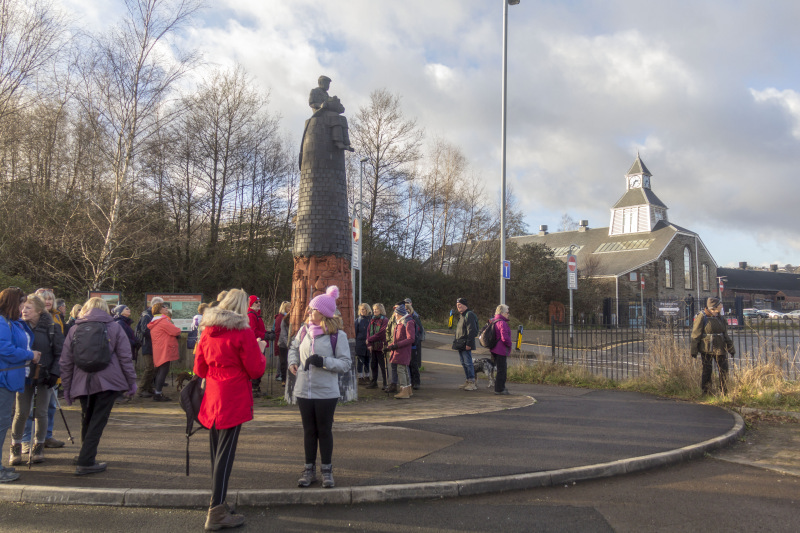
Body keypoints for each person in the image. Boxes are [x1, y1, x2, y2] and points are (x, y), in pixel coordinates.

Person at [193, 289, 266, 530]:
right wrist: (261, 350)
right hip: (232, 394)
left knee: (216, 451)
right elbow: (256, 369)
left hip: (213, 392)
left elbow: (199, 368)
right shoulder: (242, 331)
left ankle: (218, 502)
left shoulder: (207, 330)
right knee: (226, 454)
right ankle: (216, 511)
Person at [60, 297, 137, 475]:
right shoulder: (115, 328)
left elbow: (66, 361)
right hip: (108, 382)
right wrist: (131, 382)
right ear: (105, 310)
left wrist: (67, 387)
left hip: (81, 382)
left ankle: (85, 455)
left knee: (87, 418)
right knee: (97, 421)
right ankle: (86, 461)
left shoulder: (74, 328)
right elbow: (125, 358)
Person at [288, 285, 351, 489]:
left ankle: (327, 470)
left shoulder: (337, 336)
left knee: (324, 430)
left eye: (312, 309)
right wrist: (292, 362)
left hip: (326, 392)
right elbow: (294, 347)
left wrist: (323, 361)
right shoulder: (304, 330)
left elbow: (345, 364)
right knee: (308, 431)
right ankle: (308, 470)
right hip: (304, 390)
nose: (308, 311)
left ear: (322, 313)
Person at [9, 294, 63, 465]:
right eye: (23, 307)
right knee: (21, 412)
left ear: (39, 311)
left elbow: (60, 353)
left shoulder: (52, 328)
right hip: (23, 376)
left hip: (44, 376)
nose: (23, 310)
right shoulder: (17, 327)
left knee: (41, 412)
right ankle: (16, 447)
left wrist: (55, 374)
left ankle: (38, 446)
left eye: (28, 308)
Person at [0, 288, 41, 483]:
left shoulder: (10, 322)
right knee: (1, 425)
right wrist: (29, 355)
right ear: (12, 304)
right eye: (20, 304)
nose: (22, 308)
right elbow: (5, 349)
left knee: (3, 424)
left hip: (8, 379)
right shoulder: (2, 322)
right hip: (3, 379)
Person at [691, 297, 735, 395]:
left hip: (720, 347)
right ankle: (706, 392)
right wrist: (694, 350)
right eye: (720, 304)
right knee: (707, 370)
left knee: (724, 370)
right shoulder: (702, 316)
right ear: (714, 306)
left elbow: (725, 334)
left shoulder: (721, 317)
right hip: (706, 348)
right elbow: (696, 334)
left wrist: (731, 348)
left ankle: (724, 392)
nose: (722, 306)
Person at [147, 303, 181, 402]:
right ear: (159, 310)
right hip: (165, 349)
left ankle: (157, 392)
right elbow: (176, 331)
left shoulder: (155, 321)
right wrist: (178, 330)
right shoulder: (162, 321)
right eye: (163, 307)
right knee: (163, 371)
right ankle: (158, 394)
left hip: (159, 348)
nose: (166, 308)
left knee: (160, 370)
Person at [385, 303, 416, 399]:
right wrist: (389, 347)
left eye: (396, 314)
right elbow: (396, 339)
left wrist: (396, 346)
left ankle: (404, 391)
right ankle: (408, 390)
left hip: (402, 350)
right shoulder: (401, 322)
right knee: (403, 369)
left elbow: (411, 339)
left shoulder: (407, 322)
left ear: (401, 314)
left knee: (401, 369)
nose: (395, 316)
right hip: (399, 350)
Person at [136, 296, 164, 398]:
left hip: (153, 345)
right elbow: (144, 330)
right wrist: (157, 334)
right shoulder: (146, 315)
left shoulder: (151, 315)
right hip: (147, 345)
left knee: (154, 368)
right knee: (149, 367)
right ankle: (141, 389)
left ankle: (147, 388)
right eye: (162, 305)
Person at [453, 297, 479, 391]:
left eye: (460, 305)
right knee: (464, 363)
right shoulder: (461, 315)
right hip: (460, 343)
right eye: (457, 305)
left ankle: (472, 382)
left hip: (466, 343)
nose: (458, 307)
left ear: (465, 305)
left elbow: (472, 330)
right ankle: (468, 380)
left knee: (468, 363)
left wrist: (469, 343)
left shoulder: (469, 314)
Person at [490, 304, 513, 395]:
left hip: (494, 349)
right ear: (502, 313)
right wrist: (510, 344)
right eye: (507, 312)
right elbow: (505, 338)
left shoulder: (494, 320)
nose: (508, 314)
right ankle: (499, 389)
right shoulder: (502, 323)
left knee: (500, 369)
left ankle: (500, 388)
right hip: (501, 350)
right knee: (502, 370)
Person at [248, 295, 267, 397]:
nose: (258, 304)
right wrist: (265, 335)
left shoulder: (256, 315)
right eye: (256, 302)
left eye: (259, 302)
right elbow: (253, 331)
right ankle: (254, 388)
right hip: (256, 344)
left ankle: (256, 387)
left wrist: (266, 333)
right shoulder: (251, 315)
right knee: (257, 365)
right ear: (251, 304)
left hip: (259, 343)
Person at [365, 304, 388, 390]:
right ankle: (374, 382)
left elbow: (381, 333)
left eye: (376, 310)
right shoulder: (372, 320)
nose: (374, 311)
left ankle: (385, 383)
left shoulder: (385, 320)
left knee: (383, 366)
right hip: (373, 347)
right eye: (374, 309)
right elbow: (368, 331)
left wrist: (370, 339)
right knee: (373, 365)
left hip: (381, 346)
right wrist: (369, 344)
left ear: (381, 311)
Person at [405, 298, 425, 390]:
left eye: (408, 309)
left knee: (414, 364)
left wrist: (416, 342)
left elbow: (419, 330)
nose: (406, 311)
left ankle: (416, 382)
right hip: (405, 345)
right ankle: (410, 382)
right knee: (407, 364)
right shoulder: (402, 319)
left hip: (413, 345)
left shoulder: (415, 318)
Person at [354, 303, 371, 384]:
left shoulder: (371, 320)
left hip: (369, 344)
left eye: (364, 309)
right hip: (360, 344)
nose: (362, 311)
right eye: (361, 309)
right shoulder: (358, 320)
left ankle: (367, 376)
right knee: (360, 361)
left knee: (368, 361)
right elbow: (355, 333)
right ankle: (360, 377)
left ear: (367, 310)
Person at [275, 301, 291, 386]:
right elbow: (283, 333)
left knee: (289, 361)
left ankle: (288, 378)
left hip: (290, 344)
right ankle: (283, 379)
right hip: (283, 344)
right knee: (283, 362)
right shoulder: (283, 320)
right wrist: (288, 344)